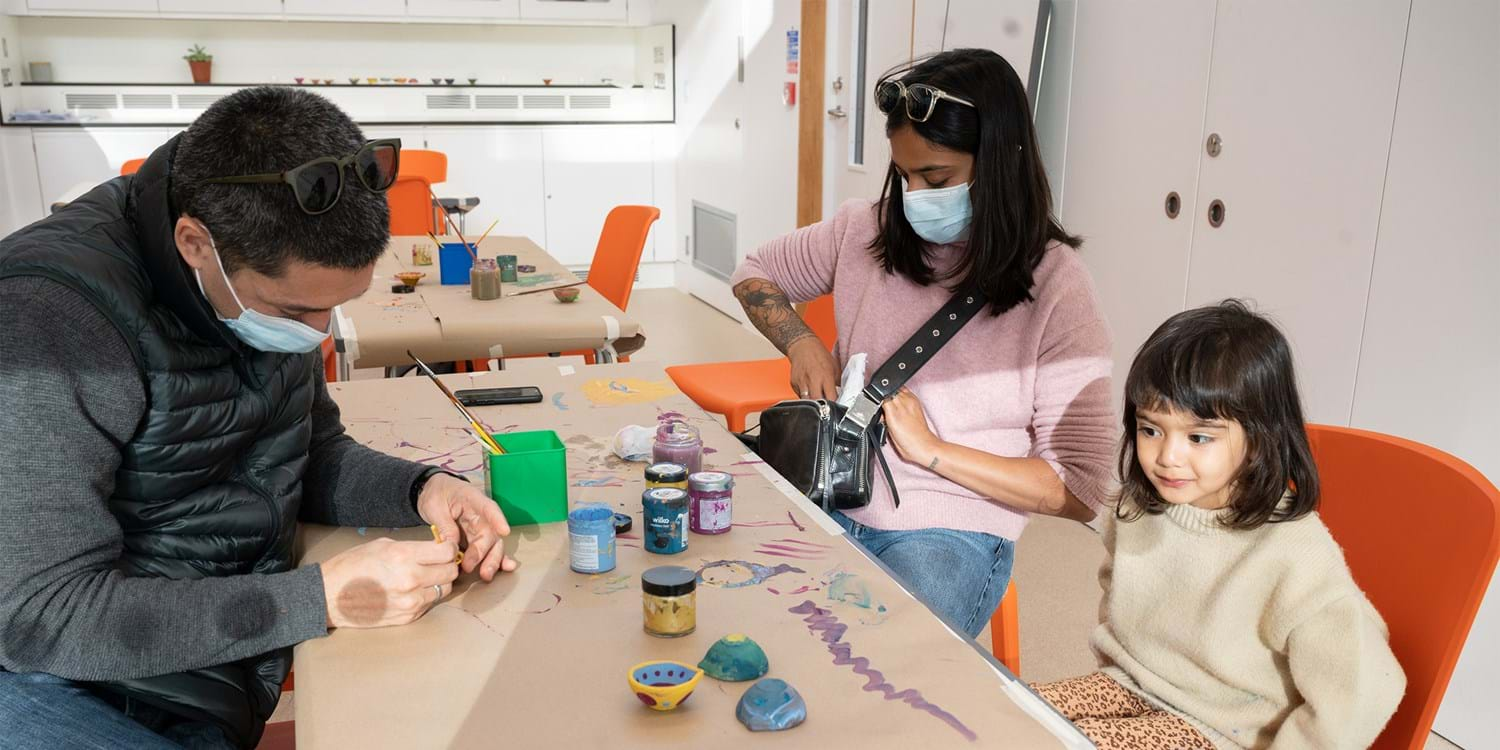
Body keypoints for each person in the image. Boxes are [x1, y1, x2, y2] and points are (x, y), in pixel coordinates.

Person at [0, 87, 518, 749]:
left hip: (205, 671)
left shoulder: (255, 284)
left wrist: (423, 490)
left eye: (337, 307)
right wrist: (317, 599)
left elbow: (308, 451)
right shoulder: (50, 319)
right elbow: (39, 619)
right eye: (297, 312)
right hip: (59, 687)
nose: (319, 333)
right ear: (195, 244)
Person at [728, 48, 1116, 638]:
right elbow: (755, 272)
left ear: (1000, 162)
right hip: (828, 487)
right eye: (904, 176)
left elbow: (1082, 489)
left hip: (950, 528)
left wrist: (933, 452)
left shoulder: (1058, 284)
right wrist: (802, 341)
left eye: (936, 179)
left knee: (882, 656)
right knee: (733, 614)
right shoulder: (866, 228)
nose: (914, 198)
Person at [1033, 300, 1405, 749]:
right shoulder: (1138, 505)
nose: (1167, 456)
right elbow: (1117, 594)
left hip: (1218, 729)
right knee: (1003, 715)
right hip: (1129, 686)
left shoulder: (1294, 551)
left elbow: (1367, 688)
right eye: (1151, 429)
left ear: (1258, 438)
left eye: (1199, 437)